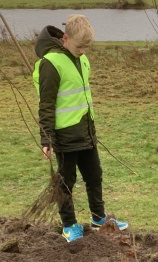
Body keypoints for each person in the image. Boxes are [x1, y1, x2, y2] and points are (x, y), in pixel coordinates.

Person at [33, 14, 128, 242]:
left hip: (86, 131)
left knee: (95, 176)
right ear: (65, 38)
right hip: (64, 136)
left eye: (87, 47)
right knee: (66, 182)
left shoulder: (82, 59)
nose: (84, 51)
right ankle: (69, 225)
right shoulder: (50, 64)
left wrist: (90, 128)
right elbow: (46, 105)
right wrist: (46, 140)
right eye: (80, 46)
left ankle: (98, 218)